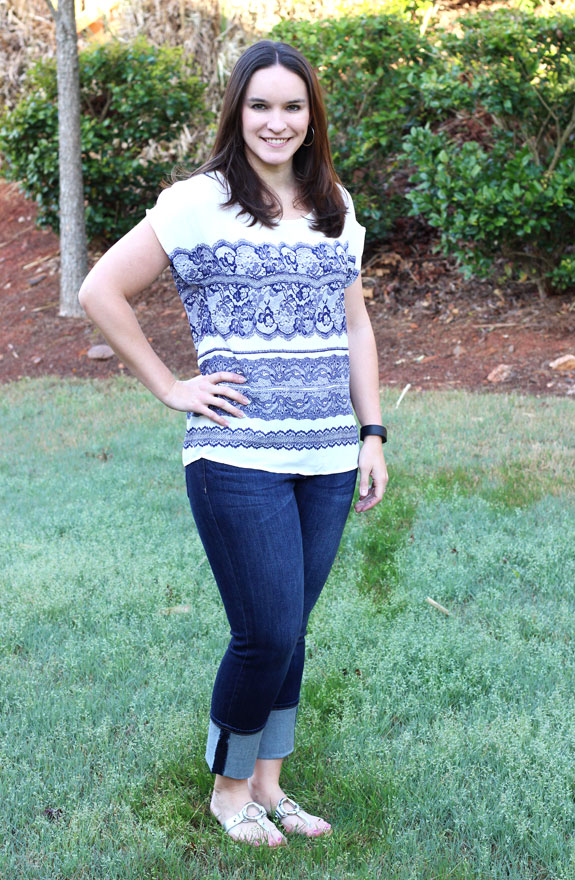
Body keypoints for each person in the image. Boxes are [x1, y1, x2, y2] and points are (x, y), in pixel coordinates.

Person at [79, 39, 388, 847]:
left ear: (311, 114)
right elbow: (100, 289)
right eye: (260, 105)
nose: (276, 121)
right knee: (266, 631)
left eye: (292, 106)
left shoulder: (335, 207)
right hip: (236, 456)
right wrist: (171, 385)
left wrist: (371, 433)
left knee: (293, 629)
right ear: (236, 111)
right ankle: (227, 789)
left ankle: (270, 788)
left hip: (325, 456)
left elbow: (354, 324)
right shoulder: (195, 201)